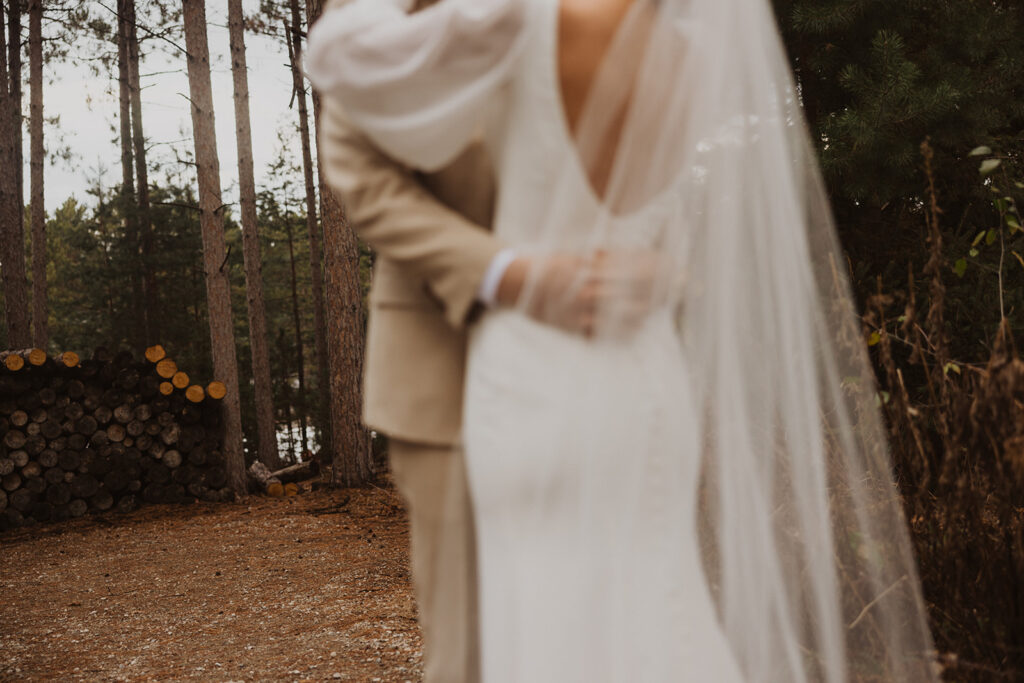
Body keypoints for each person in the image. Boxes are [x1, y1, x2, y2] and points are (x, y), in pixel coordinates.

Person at [308, 1, 939, 681]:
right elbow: (353, 155)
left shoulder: (603, 24)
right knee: (473, 649)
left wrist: (666, 265)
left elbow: (673, 190)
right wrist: (508, 273)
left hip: (573, 363)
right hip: (443, 363)